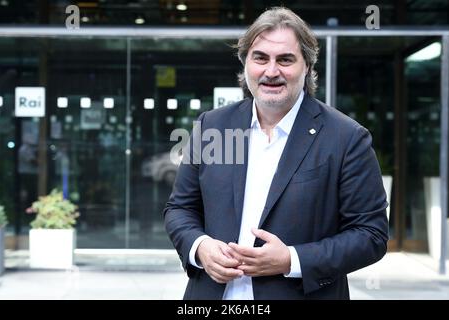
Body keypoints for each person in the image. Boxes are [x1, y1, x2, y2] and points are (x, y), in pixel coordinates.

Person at [164, 7, 388, 300]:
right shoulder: (213, 126)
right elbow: (180, 209)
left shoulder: (346, 138)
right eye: (260, 58)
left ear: (307, 66)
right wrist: (200, 247)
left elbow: (371, 235)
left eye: (285, 59)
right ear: (246, 63)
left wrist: (292, 260)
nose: (271, 71)